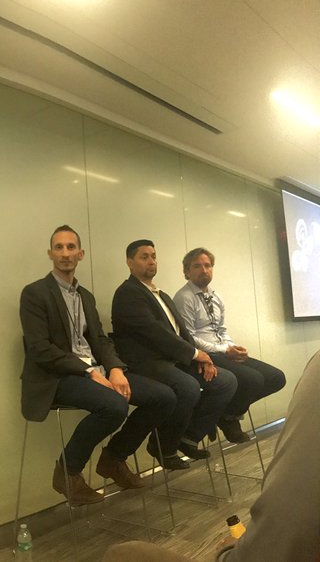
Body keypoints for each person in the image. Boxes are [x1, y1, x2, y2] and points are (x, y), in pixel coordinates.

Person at [102, 350, 320, 562]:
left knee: (124, 555)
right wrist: (200, 353)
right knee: (202, 386)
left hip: (184, 354)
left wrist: (232, 552)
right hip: (153, 358)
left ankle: (201, 428)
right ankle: (167, 443)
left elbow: (291, 526)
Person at [20, 226, 175, 505]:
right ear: (50, 254)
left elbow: (100, 340)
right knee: (114, 405)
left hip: (94, 371)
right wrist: (89, 371)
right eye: (59, 247)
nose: (65, 253)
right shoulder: (35, 293)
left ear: (80, 254)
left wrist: (115, 369)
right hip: (56, 376)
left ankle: (113, 458)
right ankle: (67, 472)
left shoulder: (85, 296)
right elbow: (40, 349)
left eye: (70, 247)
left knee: (163, 397)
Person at [111, 240, 237, 469]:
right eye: (144, 257)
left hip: (172, 359)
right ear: (130, 263)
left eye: (153, 256)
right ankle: (163, 445)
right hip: (145, 362)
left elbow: (181, 332)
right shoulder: (128, 293)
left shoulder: (162, 295)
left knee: (225, 381)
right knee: (187, 387)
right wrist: (194, 353)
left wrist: (200, 356)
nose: (151, 261)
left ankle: (188, 437)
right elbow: (155, 333)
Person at [172, 248, 286, 443]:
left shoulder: (216, 297)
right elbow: (188, 337)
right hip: (204, 354)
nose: (204, 270)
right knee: (252, 380)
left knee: (276, 377)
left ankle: (224, 414)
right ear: (187, 271)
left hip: (223, 350)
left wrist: (233, 347)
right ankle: (228, 418)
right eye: (197, 266)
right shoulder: (184, 297)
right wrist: (225, 350)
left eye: (208, 265)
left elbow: (221, 330)